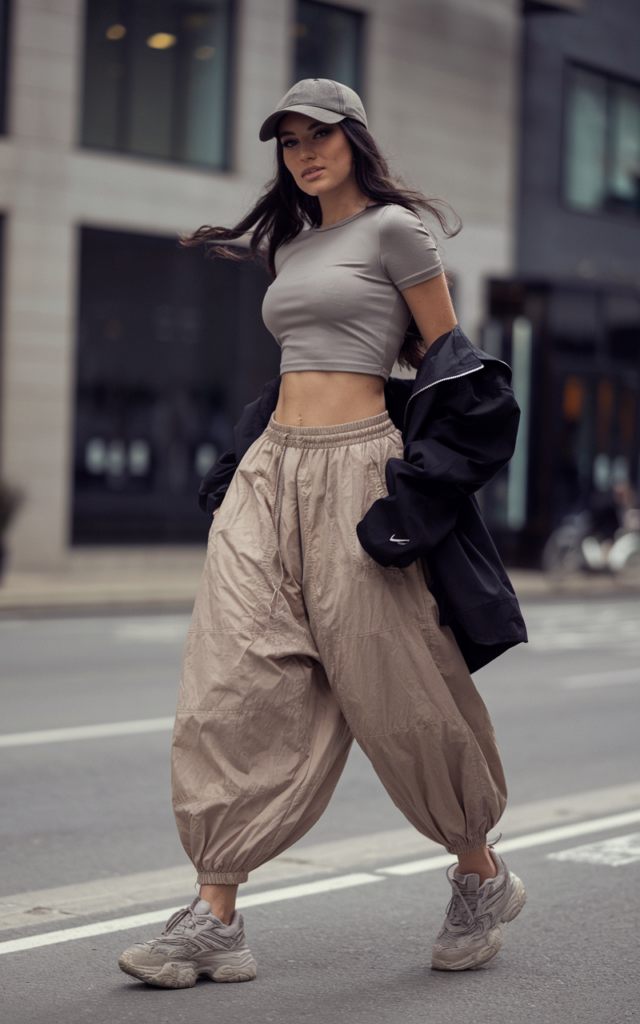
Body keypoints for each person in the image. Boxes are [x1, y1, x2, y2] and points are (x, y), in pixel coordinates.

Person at [118, 79, 528, 990]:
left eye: (322, 136)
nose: (305, 152)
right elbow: (294, 364)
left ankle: (478, 872)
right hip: (273, 471)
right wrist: (248, 460)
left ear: (355, 141)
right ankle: (214, 911)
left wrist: (419, 492)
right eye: (290, 139)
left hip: (358, 473)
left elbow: (451, 369)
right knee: (231, 673)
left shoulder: (394, 232)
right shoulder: (292, 246)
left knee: (398, 684)